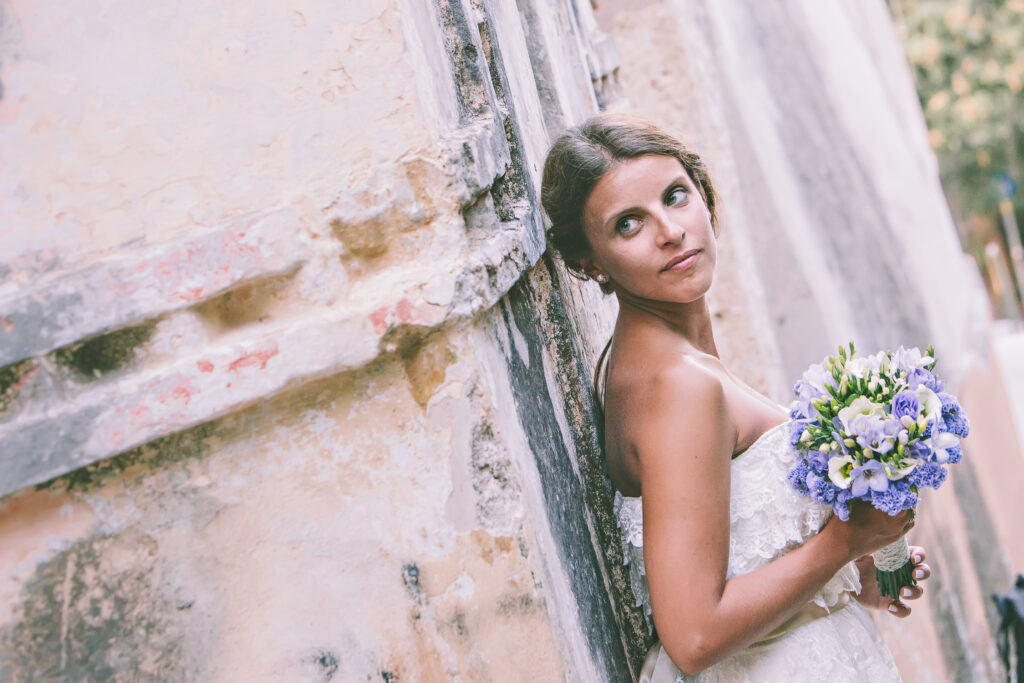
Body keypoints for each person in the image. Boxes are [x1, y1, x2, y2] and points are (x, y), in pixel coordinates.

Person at [540, 113, 930, 681]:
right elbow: (695, 635)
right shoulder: (678, 385)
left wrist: (855, 576)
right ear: (589, 262)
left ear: (704, 196)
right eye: (629, 224)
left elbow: (738, 560)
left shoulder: (671, 363)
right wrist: (846, 541)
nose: (669, 230)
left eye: (676, 196)